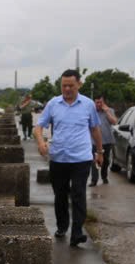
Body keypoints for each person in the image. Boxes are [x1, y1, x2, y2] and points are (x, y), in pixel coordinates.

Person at [34, 70, 103, 247]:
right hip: (58, 158)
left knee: (79, 193)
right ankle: (62, 225)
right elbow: (38, 127)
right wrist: (41, 143)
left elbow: (95, 130)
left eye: (70, 85)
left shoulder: (88, 105)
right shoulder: (53, 104)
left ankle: (77, 232)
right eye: (64, 85)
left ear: (79, 84)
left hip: (81, 158)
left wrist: (100, 152)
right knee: (60, 195)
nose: (67, 89)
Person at [89, 95, 118, 186]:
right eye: (97, 102)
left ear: (103, 102)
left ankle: (104, 176)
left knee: (105, 160)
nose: (98, 104)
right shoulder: (91, 111)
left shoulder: (109, 110)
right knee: (94, 161)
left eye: (100, 102)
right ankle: (94, 180)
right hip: (94, 141)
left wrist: (107, 112)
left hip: (107, 140)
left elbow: (114, 122)